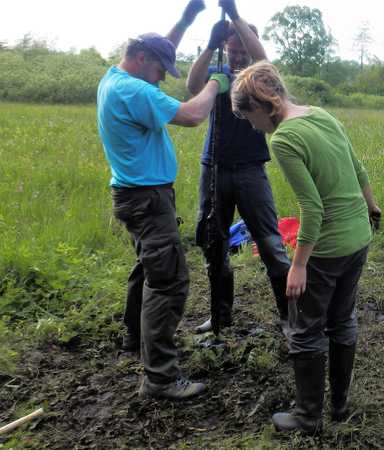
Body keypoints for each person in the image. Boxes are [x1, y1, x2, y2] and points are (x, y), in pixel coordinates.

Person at [230, 61, 381, 434]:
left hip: (328, 249)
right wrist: (372, 206)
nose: (251, 126)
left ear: (262, 105)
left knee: (306, 329)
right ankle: (340, 406)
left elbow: (312, 209)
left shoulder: (283, 138)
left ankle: (308, 416)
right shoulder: (321, 115)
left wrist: (298, 265)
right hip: (359, 236)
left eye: (248, 117)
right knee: (343, 319)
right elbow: (359, 169)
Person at [97, 0, 230, 400]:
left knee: (148, 269)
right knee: (168, 280)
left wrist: (186, 21)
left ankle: (134, 339)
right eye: (159, 72)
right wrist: (214, 83)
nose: (161, 80)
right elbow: (191, 115)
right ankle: (160, 378)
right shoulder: (134, 91)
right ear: (139, 59)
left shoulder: (114, 79)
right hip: (148, 200)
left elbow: (159, 51)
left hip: (135, 196)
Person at [186, 0, 291, 335]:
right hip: (213, 167)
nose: (236, 55)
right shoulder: (218, 75)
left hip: (250, 170)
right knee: (213, 244)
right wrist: (212, 45)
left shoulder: (258, 79)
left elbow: (263, 60)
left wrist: (234, 15)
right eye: (231, 49)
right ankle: (220, 315)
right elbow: (192, 85)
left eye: (240, 48)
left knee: (271, 245)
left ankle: (291, 318)